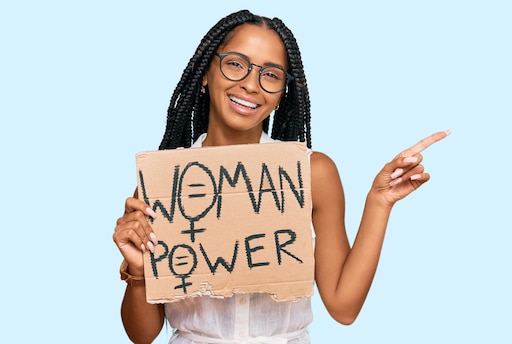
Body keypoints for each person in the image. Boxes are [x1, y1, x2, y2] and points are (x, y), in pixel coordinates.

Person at [113, 9, 449, 344]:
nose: (250, 84)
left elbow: (344, 308)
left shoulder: (312, 173)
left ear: (281, 94)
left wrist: (379, 203)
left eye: (271, 74)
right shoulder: (163, 183)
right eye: (235, 64)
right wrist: (139, 272)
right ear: (205, 73)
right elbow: (142, 336)